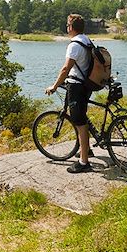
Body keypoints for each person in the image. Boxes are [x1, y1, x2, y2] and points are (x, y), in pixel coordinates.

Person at [45, 14, 94, 173]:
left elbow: (65, 69)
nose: (67, 28)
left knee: (80, 123)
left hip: (76, 87)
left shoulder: (74, 45)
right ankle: (87, 148)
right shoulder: (86, 40)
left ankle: (84, 162)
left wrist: (54, 86)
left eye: (67, 25)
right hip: (86, 85)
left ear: (71, 27)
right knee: (81, 117)